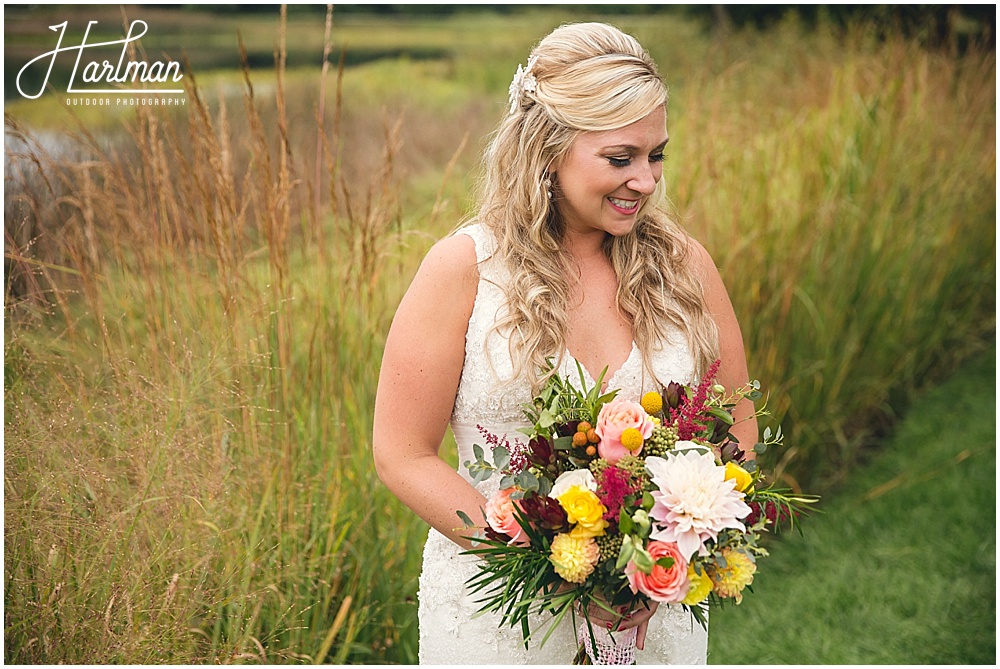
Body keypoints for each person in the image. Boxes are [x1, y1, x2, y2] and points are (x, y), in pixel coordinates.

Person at [373, 21, 757, 664]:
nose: (647, 181)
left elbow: (737, 429)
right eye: (620, 159)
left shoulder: (686, 268)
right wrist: (539, 558)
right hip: (502, 618)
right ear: (547, 149)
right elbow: (401, 454)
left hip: (652, 616)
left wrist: (669, 550)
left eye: (656, 154)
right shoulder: (465, 270)